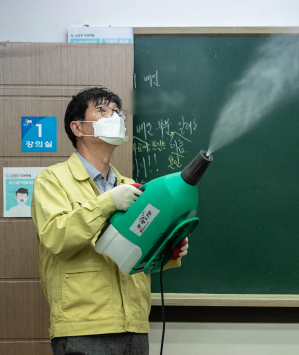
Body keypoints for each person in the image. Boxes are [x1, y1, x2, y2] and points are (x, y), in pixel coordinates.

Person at [31, 87, 188, 355]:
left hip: (134, 325)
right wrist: (108, 202)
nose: (114, 117)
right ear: (78, 128)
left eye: (117, 112)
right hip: (84, 327)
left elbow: (139, 254)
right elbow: (56, 238)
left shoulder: (131, 188)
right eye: (102, 111)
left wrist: (168, 253)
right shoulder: (52, 180)